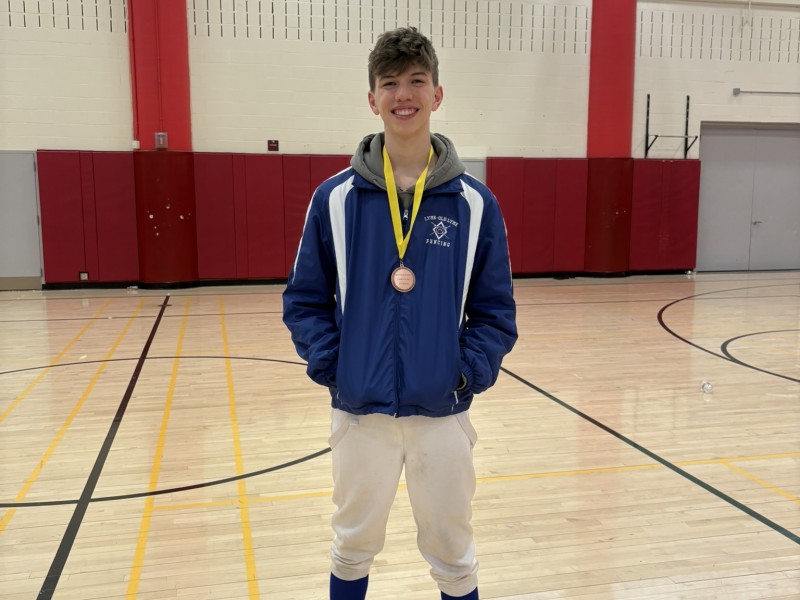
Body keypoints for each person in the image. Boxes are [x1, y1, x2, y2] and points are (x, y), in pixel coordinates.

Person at [282, 26, 517, 600]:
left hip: (442, 412)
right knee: (352, 546)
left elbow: (495, 312)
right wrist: (336, 367)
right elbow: (304, 300)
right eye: (390, 83)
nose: (403, 94)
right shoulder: (334, 199)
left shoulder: (474, 205)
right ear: (372, 99)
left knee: (453, 554)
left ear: (437, 94)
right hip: (360, 413)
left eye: (416, 80)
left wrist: (465, 373)